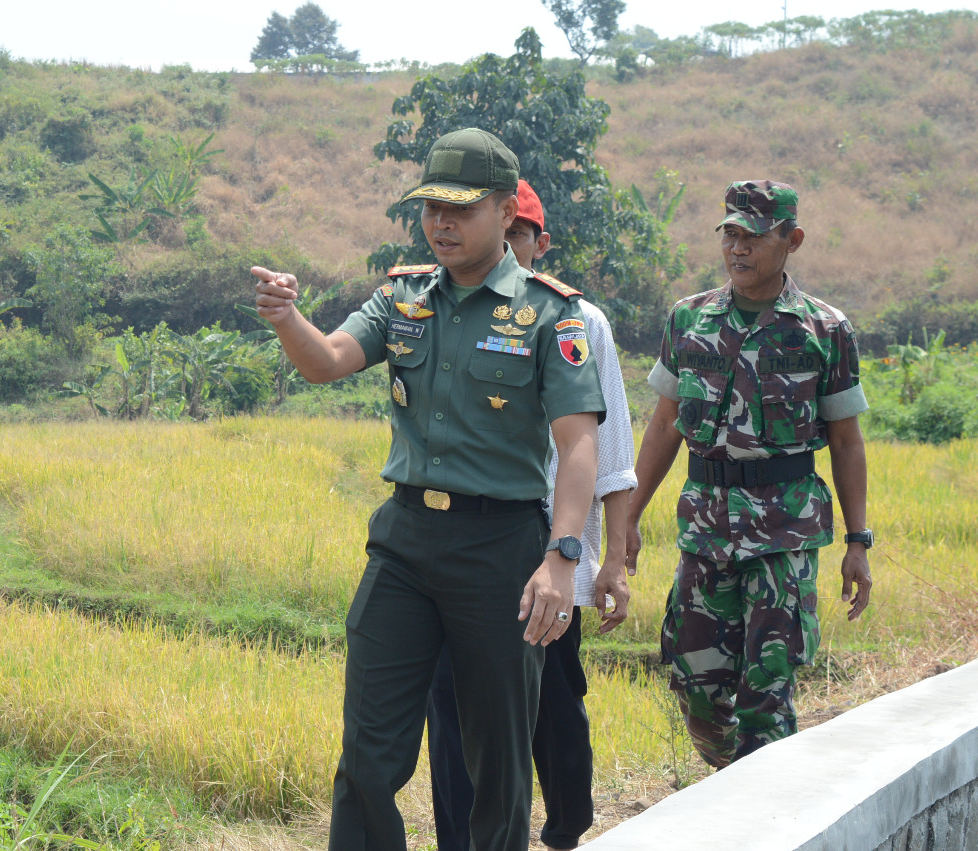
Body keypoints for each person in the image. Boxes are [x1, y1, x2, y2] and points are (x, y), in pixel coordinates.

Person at [251, 128, 606, 851]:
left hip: (501, 549)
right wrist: (288, 318)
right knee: (368, 756)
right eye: (430, 208)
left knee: (497, 764)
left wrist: (562, 558)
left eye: (460, 209)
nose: (440, 223)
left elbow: (578, 446)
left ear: (508, 211)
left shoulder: (550, 313)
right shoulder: (403, 297)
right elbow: (328, 361)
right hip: (405, 546)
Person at [626, 179, 873, 768]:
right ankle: (733, 779)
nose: (739, 249)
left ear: (792, 240)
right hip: (705, 529)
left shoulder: (824, 328)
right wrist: (627, 518)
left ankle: (765, 815)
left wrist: (858, 542)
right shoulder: (688, 319)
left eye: (755, 236)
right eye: (731, 235)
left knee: (767, 691)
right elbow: (664, 427)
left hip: (784, 534)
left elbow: (846, 439)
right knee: (696, 685)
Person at [425, 178, 637, 851]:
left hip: (552, 558)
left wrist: (614, 564)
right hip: (458, 556)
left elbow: (611, 456)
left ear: (535, 241)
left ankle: (567, 824)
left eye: (512, 238)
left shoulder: (580, 322)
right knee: (457, 713)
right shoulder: (436, 312)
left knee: (551, 710)